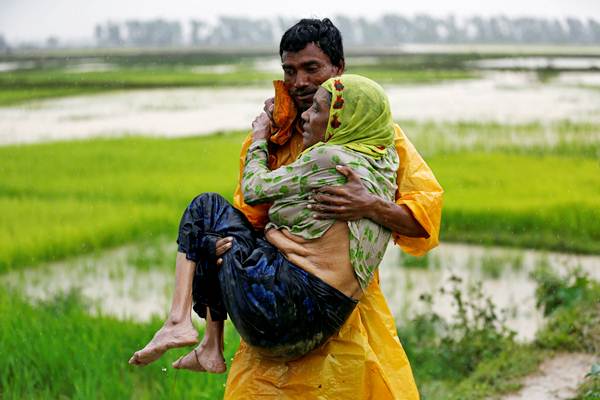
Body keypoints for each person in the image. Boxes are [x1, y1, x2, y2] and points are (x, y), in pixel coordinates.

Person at [129, 74, 401, 369]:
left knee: (206, 210)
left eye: (318, 110)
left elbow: (255, 189)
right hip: (323, 323)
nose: (306, 116)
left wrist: (260, 137)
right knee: (213, 245)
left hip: (283, 307)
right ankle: (209, 346)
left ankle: (178, 320)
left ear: (341, 120)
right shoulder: (385, 160)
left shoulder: (330, 157)